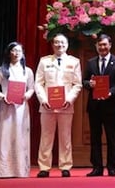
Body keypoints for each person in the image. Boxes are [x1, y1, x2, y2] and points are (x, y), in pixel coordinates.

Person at [34, 33, 83, 177]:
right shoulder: (44, 61)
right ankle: (44, 167)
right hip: (47, 105)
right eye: (56, 43)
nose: (59, 45)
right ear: (52, 45)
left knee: (65, 136)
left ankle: (65, 166)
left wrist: (69, 99)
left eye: (62, 43)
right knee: (46, 137)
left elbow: (77, 84)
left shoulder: (74, 62)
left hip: (66, 105)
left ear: (67, 45)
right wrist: (43, 99)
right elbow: (38, 83)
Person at [0, 42, 35, 178]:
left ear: (22, 54)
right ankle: (3, 170)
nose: (16, 53)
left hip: (21, 108)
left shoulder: (27, 71)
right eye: (14, 51)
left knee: (20, 136)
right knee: (5, 136)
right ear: (9, 53)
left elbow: (31, 88)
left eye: (19, 51)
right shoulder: (1, 70)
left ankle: (20, 170)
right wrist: (3, 97)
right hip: (6, 107)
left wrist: (27, 95)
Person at [82, 33, 115, 177]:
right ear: (96, 46)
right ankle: (97, 167)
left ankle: (112, 167)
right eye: (100, 45)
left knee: (111, 138)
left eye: (105, 44)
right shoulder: (90, 62)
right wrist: (89, 84)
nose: (102, 47)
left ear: (110, 45)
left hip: (111, 106)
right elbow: (84, 81)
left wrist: (111, 92)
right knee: (95, 138)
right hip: (94, 106)